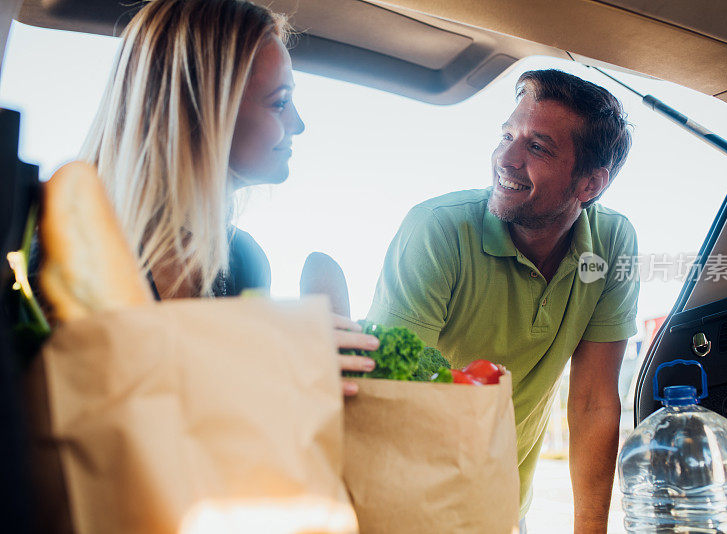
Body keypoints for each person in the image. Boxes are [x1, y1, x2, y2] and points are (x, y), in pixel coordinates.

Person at [367, 69, 639, 532]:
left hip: (504, 509)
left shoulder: (612, 243)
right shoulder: (437, 230)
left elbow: (593, 401)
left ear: (589, 185)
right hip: (405, 508)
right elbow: (391, 395)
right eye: (507, 135)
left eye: (537, 146)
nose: (505, 158)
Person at [78, 0, 376, 393]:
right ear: (202, 107)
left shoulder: (244, 262)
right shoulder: (79, 250)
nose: (298, 124)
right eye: (280, 102)